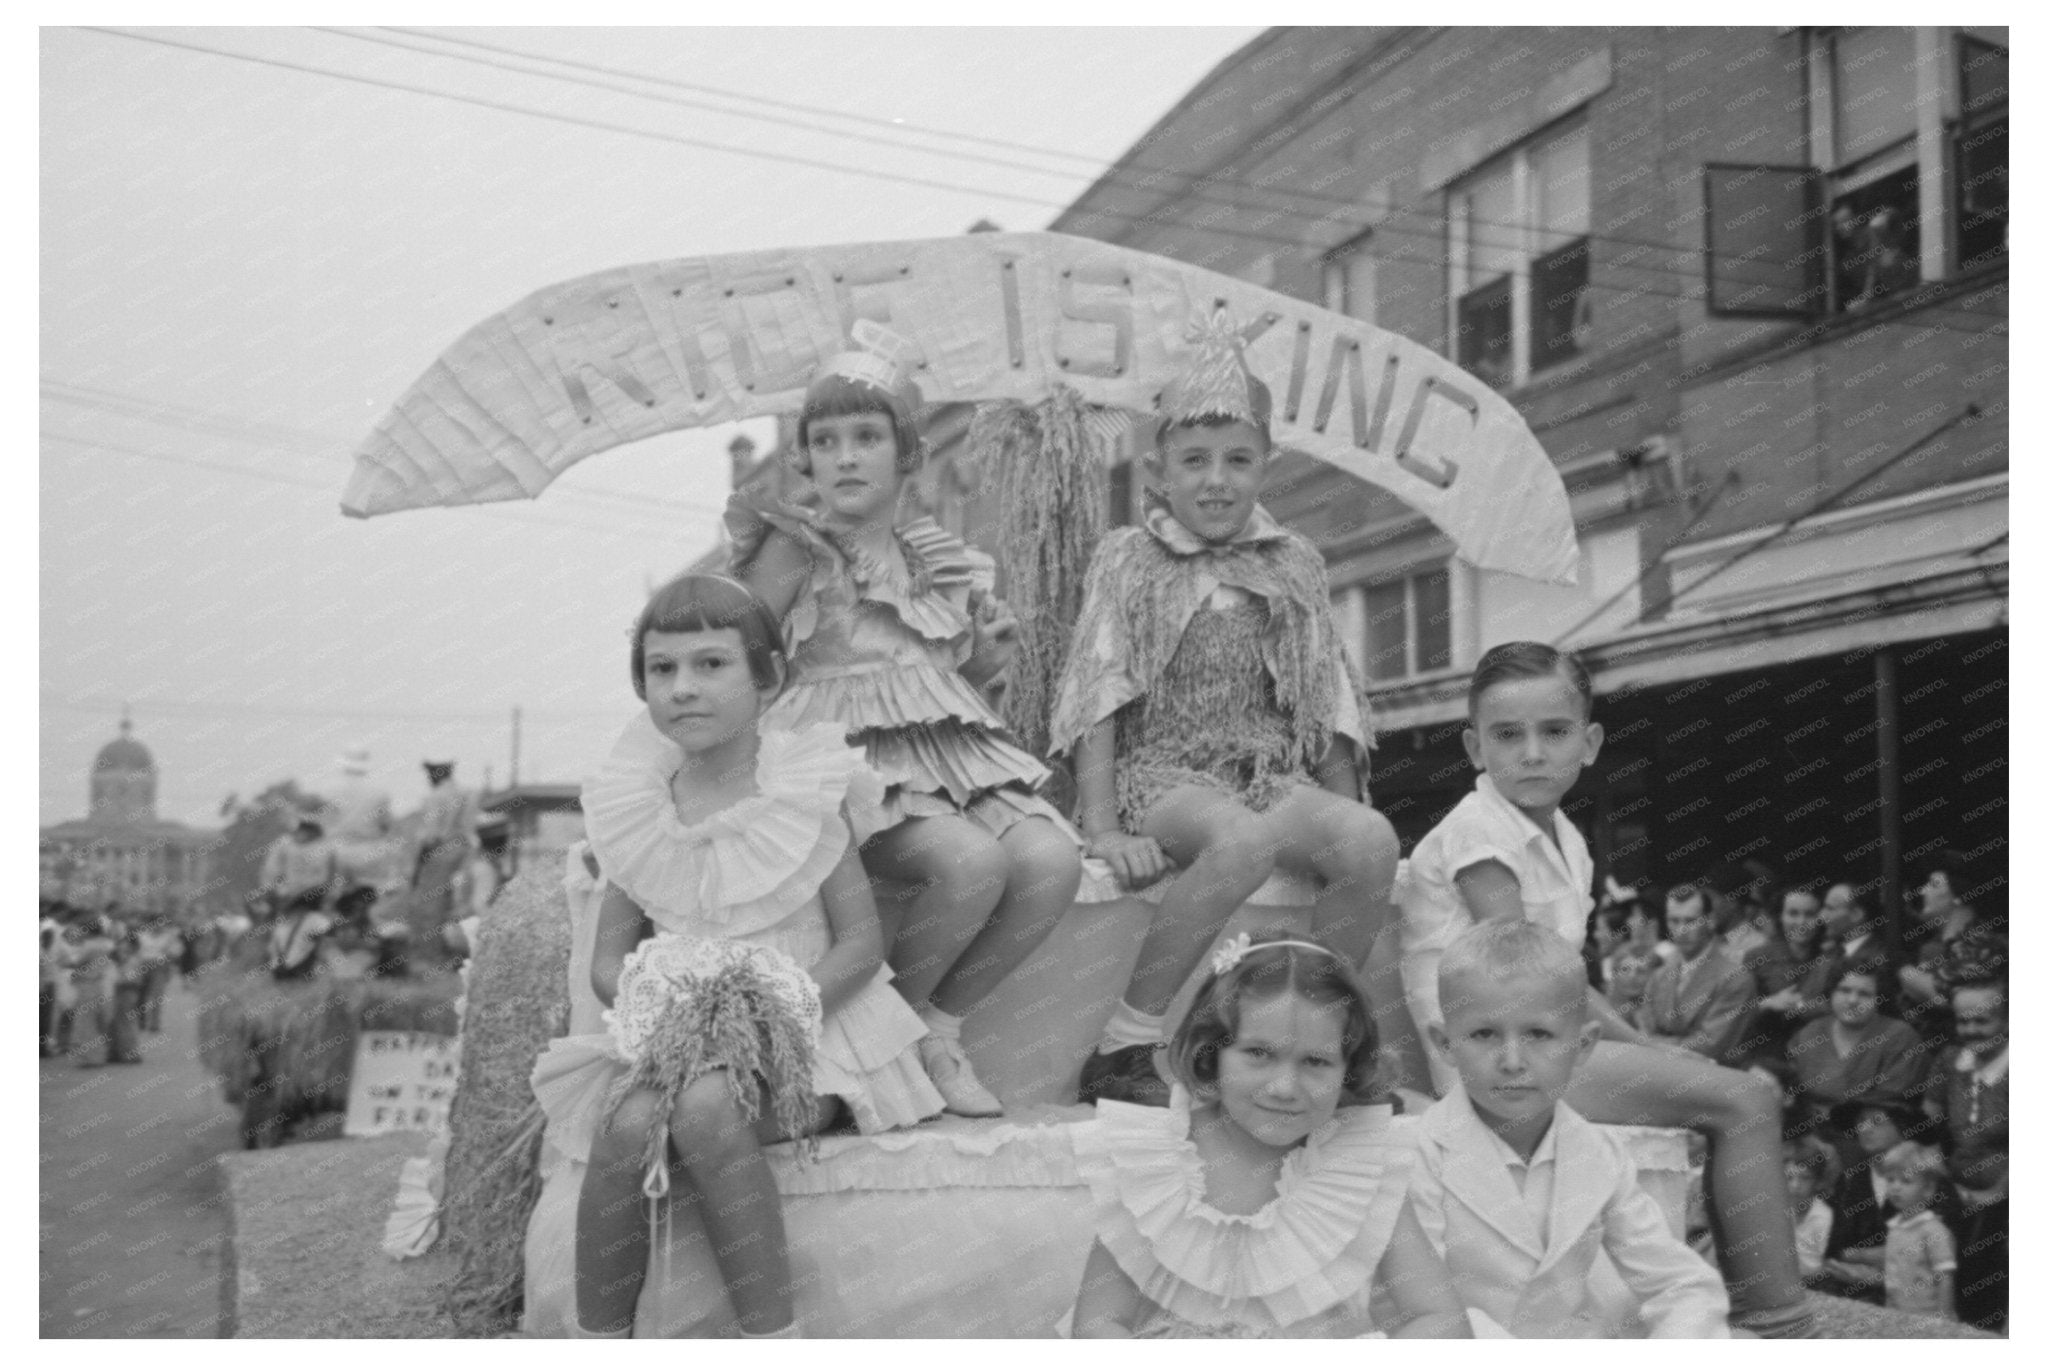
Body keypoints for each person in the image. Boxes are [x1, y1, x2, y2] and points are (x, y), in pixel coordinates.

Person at [531, 574, 944, 1339]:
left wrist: (763, 1014)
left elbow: (860, 942)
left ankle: (770, 1336)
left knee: (710, 1107)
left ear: (767, 677)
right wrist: (669, 1009)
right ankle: (598, 1339)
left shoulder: (799, 790)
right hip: (683, 1034)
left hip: (810, 1038)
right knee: (625, 1124)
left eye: (711, 664)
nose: (683, 688)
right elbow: (608, 957)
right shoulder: (640, 807)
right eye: (662, 669)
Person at [1393, 640, 1813, 1336]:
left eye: (1554, 732)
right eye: (1507, 734)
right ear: (1474, 746)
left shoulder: (1565, 836)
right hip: (1492, 1052)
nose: (1532, 752)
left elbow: (1568, 981)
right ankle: (1780, 1322)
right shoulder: (1478, 836)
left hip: (1538, 1041)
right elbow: (1534, 981)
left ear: (1589, 743)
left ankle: (1748, 1308)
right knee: (1743, 1098)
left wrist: (1651, 1049)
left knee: (1725, 1091)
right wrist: (1656, 1048)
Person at [727, 337, 1096, 1118]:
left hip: (943, 764)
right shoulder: (795, 549)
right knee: (969, 863)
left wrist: (981, 668)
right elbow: (736, 655)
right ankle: (881, 1039)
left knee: (1052, 858)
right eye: (824, 442)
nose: (845, 458)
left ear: (908, 455)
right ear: (805, 461)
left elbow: (932, 691)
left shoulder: (939, 562)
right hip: (844, 772)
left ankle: (938, 1021)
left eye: (866, 438)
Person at [1050, 315, 1394, 1106]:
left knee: (1371, 840)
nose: (1216, 479)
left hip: (1268, 770)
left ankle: (1321, 1043)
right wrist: (1103, 827)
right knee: (1239, 843)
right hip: (1164, 771)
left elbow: (1326, 698)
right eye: (1194, 460)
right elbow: (1096, 694)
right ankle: (1127, 1042)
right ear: (1157, 471)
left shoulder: (1292, 562)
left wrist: (1340, 816)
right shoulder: (1130, 560)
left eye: (1238, 460)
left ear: (1265, 465)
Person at [1068, 933, 1467, 1338]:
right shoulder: (1154, 1161)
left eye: (1316, 1061)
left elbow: (1441, 1319)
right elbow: (1099, 1322)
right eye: (1259, 1054)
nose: (1285, 1087)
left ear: (1349, 1068)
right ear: (1211, 1052)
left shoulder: (1358, 1166)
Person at [1410, 920, 1729, 1337]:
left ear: (1583, 1046)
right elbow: (1422, 1311)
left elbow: (1682, 1283)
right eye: (1484, 1033)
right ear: (1444, 1043)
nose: (1512, 1061)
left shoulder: (1601, 1153)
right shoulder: (1415, 1154)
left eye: (1539, 1034)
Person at [1926, 979, 2007, 1332]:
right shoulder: (1950, 1060)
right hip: (1957, 1187)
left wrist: (1996, 1193)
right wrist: (1937, 1166)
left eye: (1982, 1021)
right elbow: (1930, 1117)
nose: (1971, 1030)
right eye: (1963, 1021)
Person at [1785, 960, 1930, 1131]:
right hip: (1808, 1132)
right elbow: (1790, 1087)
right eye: (1844, 990)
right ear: (1831, 994)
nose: (1853, 1000)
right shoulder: (1811, 1032)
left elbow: (1891, 1102)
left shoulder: (1900, 1037)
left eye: (1864, 994)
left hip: (1869, 1134)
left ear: (1879, 1000)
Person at [1632, 885, 1756, 1064]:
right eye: (1674, 921)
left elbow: (1710, 1046)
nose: (1681, 930)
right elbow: (1643, 1032)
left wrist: (1652, 1044)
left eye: (1690, 921)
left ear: (1710, 921)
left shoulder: (1736, 978)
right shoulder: (1659, 975)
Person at [1896, 854, 2006, 1038]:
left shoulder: (1982, 943)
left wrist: (1901, 969)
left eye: (1934, 884)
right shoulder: (1943, 947)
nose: (1923, 892)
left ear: (1958, 896)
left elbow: (1943, 996)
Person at [1738, 887, 1834, 1063]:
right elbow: (1736, 1011)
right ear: (1780, 917)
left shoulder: (1832, 957)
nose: (1801, 921)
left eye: (1810, 914)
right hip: (1767, 1051)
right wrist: (1767, 1003)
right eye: (1793, 913)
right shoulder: (1757, 956)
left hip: (1819, 1054)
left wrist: (1801, 1006)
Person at [1877, 1142, 1957, 1320]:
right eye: (1891, 1179)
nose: (1896, 1187)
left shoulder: (1933, 1230)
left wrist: (1943, 1320)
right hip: (1896, 1315)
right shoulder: (1894, 1226)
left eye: (1906, 1181)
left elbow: (1945, 1278)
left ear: (1928, 1189)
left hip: (1927, 1318)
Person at [1819, 881, 1895, 1009]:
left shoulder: (1879, 958)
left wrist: (1797, 1006)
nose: (1821, 916)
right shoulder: (1830, 952)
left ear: (1856, 915)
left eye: (1830, 908)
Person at [259, 811, 340, 917]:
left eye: (310, 829)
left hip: (310, 900)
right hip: (284, 897)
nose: (305, 833)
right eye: (304, 828)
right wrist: (276, 893)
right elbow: (270, 871)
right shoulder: (284, 845)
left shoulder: (327, 851)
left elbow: (327, 879)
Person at [1785, 1138, 1836, 1284]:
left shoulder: (1824, 1218)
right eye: (1789, 1178)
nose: (1795, 1185)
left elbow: (1828, 1267)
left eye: (1804, 1178)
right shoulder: (1779, 1211)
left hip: (1817, 1284)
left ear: (1818, 1183)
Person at [133, 912, 181, 1032]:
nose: (159, 926)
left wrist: (170, 953)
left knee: (157, 996)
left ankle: (155, 1023)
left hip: (159, 967)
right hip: (141, 967)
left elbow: (176, 952)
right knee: (141, 996)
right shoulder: (141, 935)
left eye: (162, 923)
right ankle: (141, 1021)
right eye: (156, 923)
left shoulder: (168, 937)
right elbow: (133, 951)